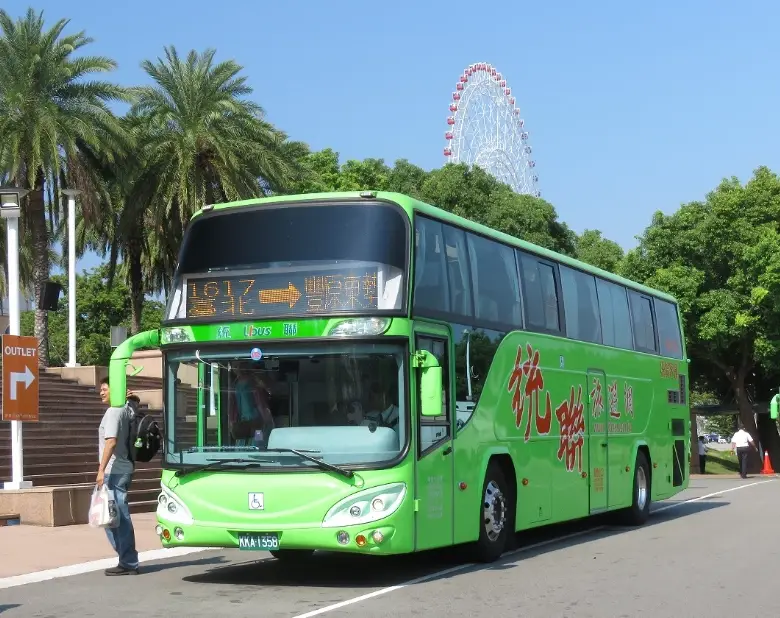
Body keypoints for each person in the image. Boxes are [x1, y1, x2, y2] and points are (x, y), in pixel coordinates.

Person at [97, 376, 139, 575]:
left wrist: (100, 469)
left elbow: (111, 441)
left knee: (116, 517)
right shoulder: (127, 408)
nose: (101, 392)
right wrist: (133, 398)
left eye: (105, 388)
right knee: (113, 517)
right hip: (124, 468)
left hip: (114, 471)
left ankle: (128, 561)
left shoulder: (114, 411)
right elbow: (134, 408)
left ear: (117, 389)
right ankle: (126, 558)